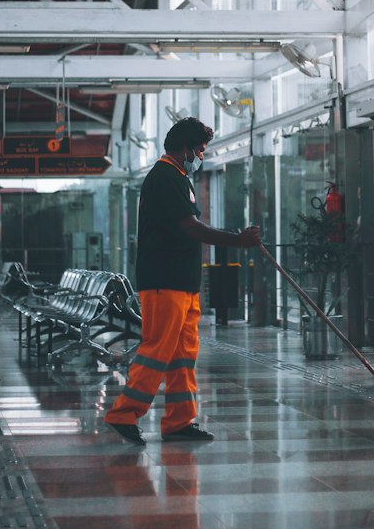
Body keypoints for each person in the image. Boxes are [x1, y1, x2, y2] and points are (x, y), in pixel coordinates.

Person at [104, 117, 261, 447]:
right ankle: (124, 413)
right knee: (156, 351)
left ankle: (178, 421)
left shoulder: (178, 178)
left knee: (182, 355)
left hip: (183, 283)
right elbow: (191, 228)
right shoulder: (164, 176)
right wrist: (237, 241)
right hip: (165, 281)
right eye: (199, 150)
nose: (201, 156)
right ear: (185, 147)